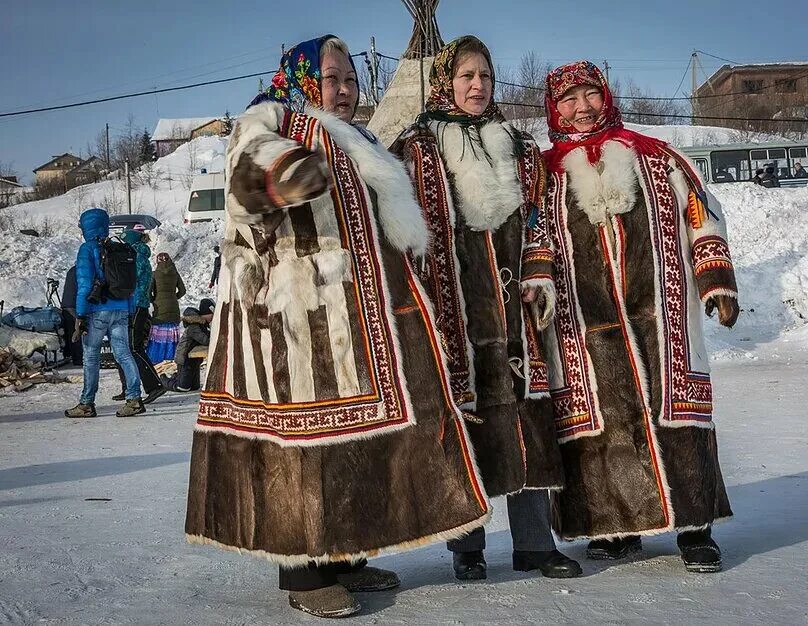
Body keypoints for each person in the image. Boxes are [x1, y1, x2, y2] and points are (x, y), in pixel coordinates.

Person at [185, 35, 491, 619]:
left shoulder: (361, 140)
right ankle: (303, 570)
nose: (345, 90)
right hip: (293, 316)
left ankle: (346, 554)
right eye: (332, 79)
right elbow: (247, 181)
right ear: (304, 80)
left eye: (351, 79)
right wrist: (287, 176)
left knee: (355, 439)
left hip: (356, 319)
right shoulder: (272, 118)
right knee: (302, 442)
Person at [392, 35, 580, 582]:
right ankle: (467, 549)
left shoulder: (518, 147)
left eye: (487, 77)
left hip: (516, 310)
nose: (478, 87)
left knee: (527, 415)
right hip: (455, 313)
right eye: (467, 76)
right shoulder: (417, 148)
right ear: (446, 81)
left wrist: (540, 268)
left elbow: (543, 215)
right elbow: (404, 234)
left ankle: (534, 544)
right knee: (466, 425)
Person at [541, 61, 739, 573]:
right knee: (603, 427)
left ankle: (696, 529)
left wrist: (714, 277)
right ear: (554, 109)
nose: (581, 108)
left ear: (605, 97)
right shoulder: (541, 175)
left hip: (663, 317)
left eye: (590, 96)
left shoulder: (654, 157)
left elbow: (701, 211)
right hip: (583, 327)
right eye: (569, 100)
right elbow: (531, 242)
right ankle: (615, 528)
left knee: (677, 416)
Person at [64, 208, 145, 418]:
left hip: (96, 312)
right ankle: (134, 399)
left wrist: (80, 316)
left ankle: (86, 404)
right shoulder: (118, 248)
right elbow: (131, 284)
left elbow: (84, 285)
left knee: (91, 356)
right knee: (124, 355)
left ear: (86, 227)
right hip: (120, 310)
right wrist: (130, 309)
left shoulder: (87, 249)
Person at [114, 226, 166, 404]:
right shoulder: (137, 255)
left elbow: (129, 279)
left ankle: (154, 386)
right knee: (126, 347)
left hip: (137, 305)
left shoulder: (136, 256)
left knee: (135, 347)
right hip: (134, 305)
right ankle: (129, 387)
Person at [161, 298, 213, 393]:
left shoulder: (202, 324)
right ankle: (163, 380)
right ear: (206, 314)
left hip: (193, 360)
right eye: (212, 314)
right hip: (184, 360)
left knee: (194, 387)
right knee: (183, 387)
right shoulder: (194, 326)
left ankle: (177, 376)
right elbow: (205, 340)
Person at [146, 252, 186, 364]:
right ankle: (171, 358)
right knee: (171, 335)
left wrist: (154, 300)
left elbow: (148, 293)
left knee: (159, 334)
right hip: (173, 307)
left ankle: (156, 358)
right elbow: (183, 291)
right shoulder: (175, 274)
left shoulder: (154, 274)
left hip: (160, 309)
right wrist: (174, 297)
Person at [60, 265, 83, 366]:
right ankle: (78, 359)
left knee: (70, 331)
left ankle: (69, 354)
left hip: (66, 304)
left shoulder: (72, 270)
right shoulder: (83, 270)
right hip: (74, 305)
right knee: (77, 331)